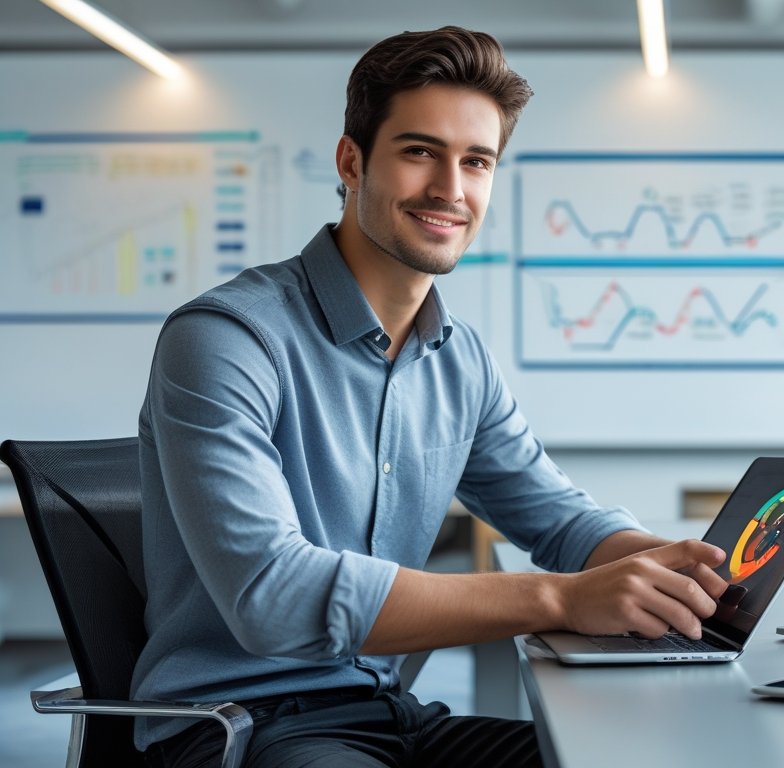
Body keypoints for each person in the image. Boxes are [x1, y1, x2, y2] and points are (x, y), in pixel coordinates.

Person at [132, 26, 728, 768]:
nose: (451, 189)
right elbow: (273, 597)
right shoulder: (226, 339)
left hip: (390, 714)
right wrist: (562, 599)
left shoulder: (459, 360)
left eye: (476, 161)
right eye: (420, 153)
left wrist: (677, 571)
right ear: (352, 162)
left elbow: (561, 522)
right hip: (244, 726)